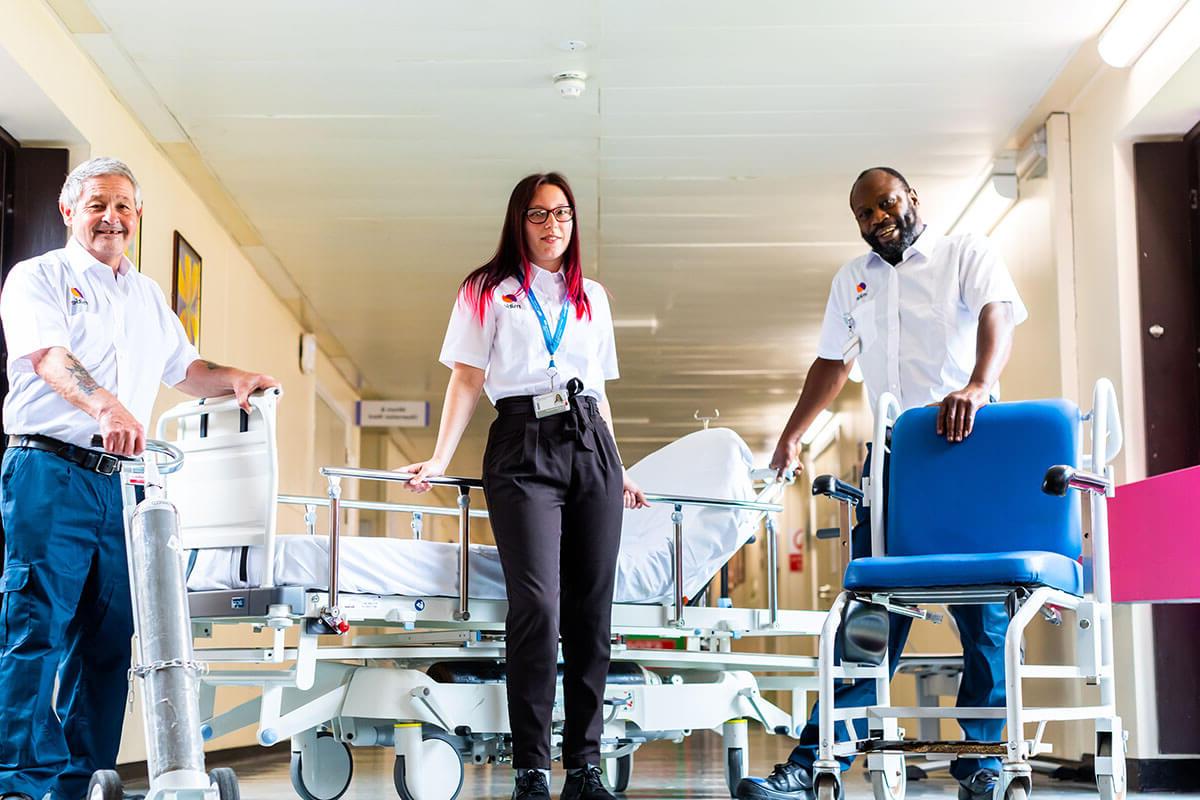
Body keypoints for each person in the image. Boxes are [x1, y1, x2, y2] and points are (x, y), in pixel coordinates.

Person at [736, 166, 1027, 800]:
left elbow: (995, 313)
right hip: (893, 466)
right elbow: (832, 363)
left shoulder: (964, 253)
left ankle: (983, 763)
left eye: (884, 203)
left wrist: (977, 386)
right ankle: (818, 760)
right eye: (864, 214)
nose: (876, 219)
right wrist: (790, 434)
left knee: (981, 620)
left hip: (966, 452)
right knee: (867, 617)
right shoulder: (854, 279)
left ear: (911, 196)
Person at [0, 157, 280, 800]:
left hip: (121, 489)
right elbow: (49, 357)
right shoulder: (38, 277)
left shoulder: (148, 294)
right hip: (48, 471)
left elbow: (185, 368)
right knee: (34, 628)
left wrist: (235, 379)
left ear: (138, 216)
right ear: (68, 211)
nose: (111, 217)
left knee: (107, 642)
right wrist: (106, 406)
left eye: (124, 206)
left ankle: (81, 784)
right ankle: (19, 784)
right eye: (98, 204)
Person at [399, 172, 648, 800]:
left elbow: (600, 389)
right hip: (521, 444)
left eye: (562, 214)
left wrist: (621, 467)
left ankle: (584, 766)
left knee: (592, 612)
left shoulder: (592, 296)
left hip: (591, 442)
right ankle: (532, 767)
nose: (552, 225)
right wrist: (437, 457)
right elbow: (464, 379)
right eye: (539, 214)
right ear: (519, 221)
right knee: (537, 605)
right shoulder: (486, 289)